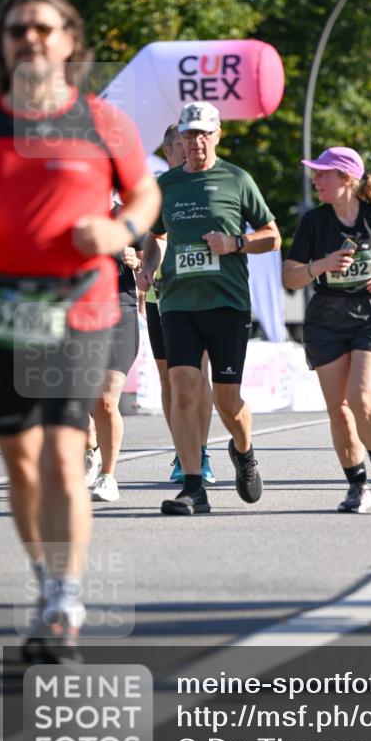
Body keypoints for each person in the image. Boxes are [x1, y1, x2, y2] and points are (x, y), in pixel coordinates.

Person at [0, 0, 160, 660]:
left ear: (68, 41)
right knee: (21, 465)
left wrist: (118, 230)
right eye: (17, 29)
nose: (30, 38)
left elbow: (143, 192)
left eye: (43, 28)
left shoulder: (101, 121)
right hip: (2, 310)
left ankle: (65, 600)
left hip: (79, 306)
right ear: (2, 45)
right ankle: (46, 579)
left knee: (61, 453)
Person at [139, 102, 280, 516]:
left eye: (203, 134)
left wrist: (235, 243)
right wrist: (147, 267)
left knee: (227, 401)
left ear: (217, 135)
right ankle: (193, 486)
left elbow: (272, 236)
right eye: (189, 135)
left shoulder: (237, 179)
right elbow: (155, 236)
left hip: (227, 303)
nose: (196, 142)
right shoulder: (166, 185)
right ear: (180, 140)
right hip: (178, 303)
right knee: (183, 387)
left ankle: (244, 450)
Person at [283, 147, 371, 513]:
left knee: (361, 397)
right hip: (327, 321)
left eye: (322, 174)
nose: (315, 180)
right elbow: (290, 276)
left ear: (346, 179)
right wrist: (321, 265)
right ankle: (357, 485)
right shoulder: (314, 222)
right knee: (339, 410)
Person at [145, 125, 216, 484]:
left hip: (200, 295)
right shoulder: (157, 189)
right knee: (169, 379)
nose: (189, 149)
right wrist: (145, 266)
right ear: (168, 151)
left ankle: (200, 453)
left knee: (196, 375)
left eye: (193, 142)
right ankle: (182, 452)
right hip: (160, 296)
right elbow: (152, 236)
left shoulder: (210, 183)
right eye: (180, 145)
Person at [88, 199, 144, 503]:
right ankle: (90, 447)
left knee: (106, 400)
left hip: (120, 313)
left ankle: (108, 476)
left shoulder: (128, 214)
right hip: (77, 313)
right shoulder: (69, 210)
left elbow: (152, 258)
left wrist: (137, 261)